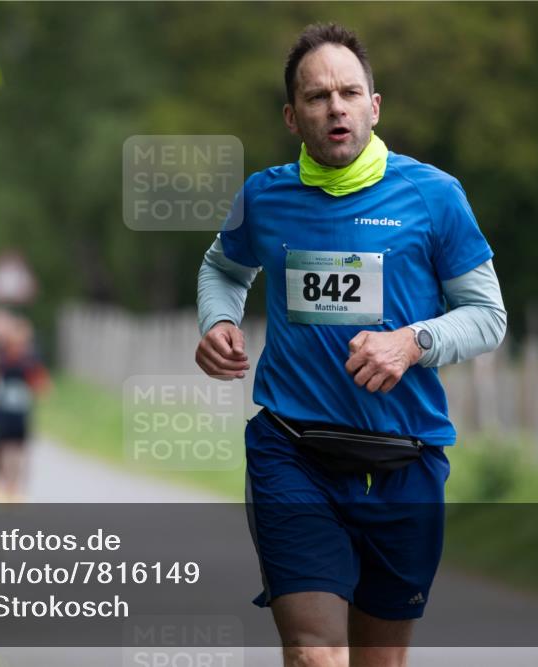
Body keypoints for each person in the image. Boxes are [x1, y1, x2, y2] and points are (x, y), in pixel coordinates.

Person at [194, 24, 507, 667]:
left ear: (374, 105)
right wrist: (217, 320)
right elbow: (223, 268)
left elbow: (487, 316)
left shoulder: (434, 196)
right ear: (292, 116)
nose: (335, 107)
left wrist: (412, 343)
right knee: (316, 654)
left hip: (405, 459)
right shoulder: (264, 196)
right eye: (317, 97)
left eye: (349, 92)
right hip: (293, 451)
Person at [0, 310, 49, 502]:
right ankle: (0, 484)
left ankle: (15, 487)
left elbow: (40, 382)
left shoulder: (30, 359)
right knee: (0, 447)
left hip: (21, 410)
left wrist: (39, 389)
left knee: (18, 449)